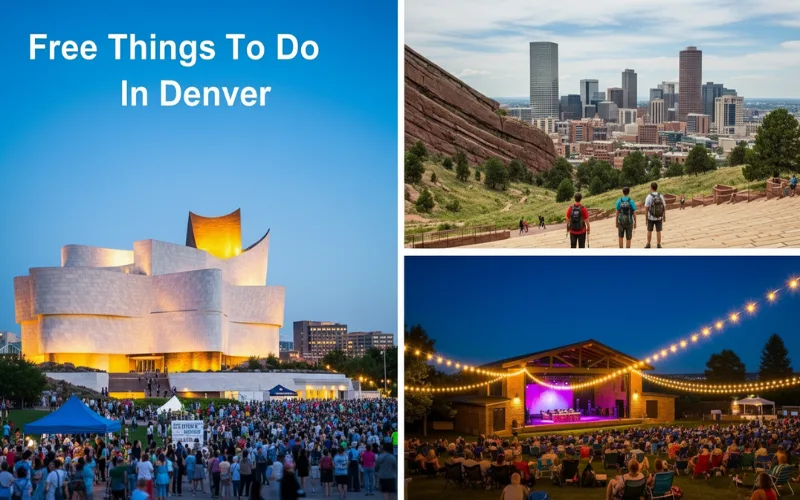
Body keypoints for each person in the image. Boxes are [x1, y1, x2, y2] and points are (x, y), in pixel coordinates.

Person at [644, 182, 666, 248]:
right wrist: (664, 216)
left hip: (651, 217)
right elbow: (664, 206)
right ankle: (658, 244)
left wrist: (646, 219)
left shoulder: (649, 196)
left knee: (649, 231)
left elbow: (646, 208)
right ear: (656, 187)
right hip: (659, 217)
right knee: (658, 231)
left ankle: (648, 244)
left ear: (651, 187)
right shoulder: (660, 195)